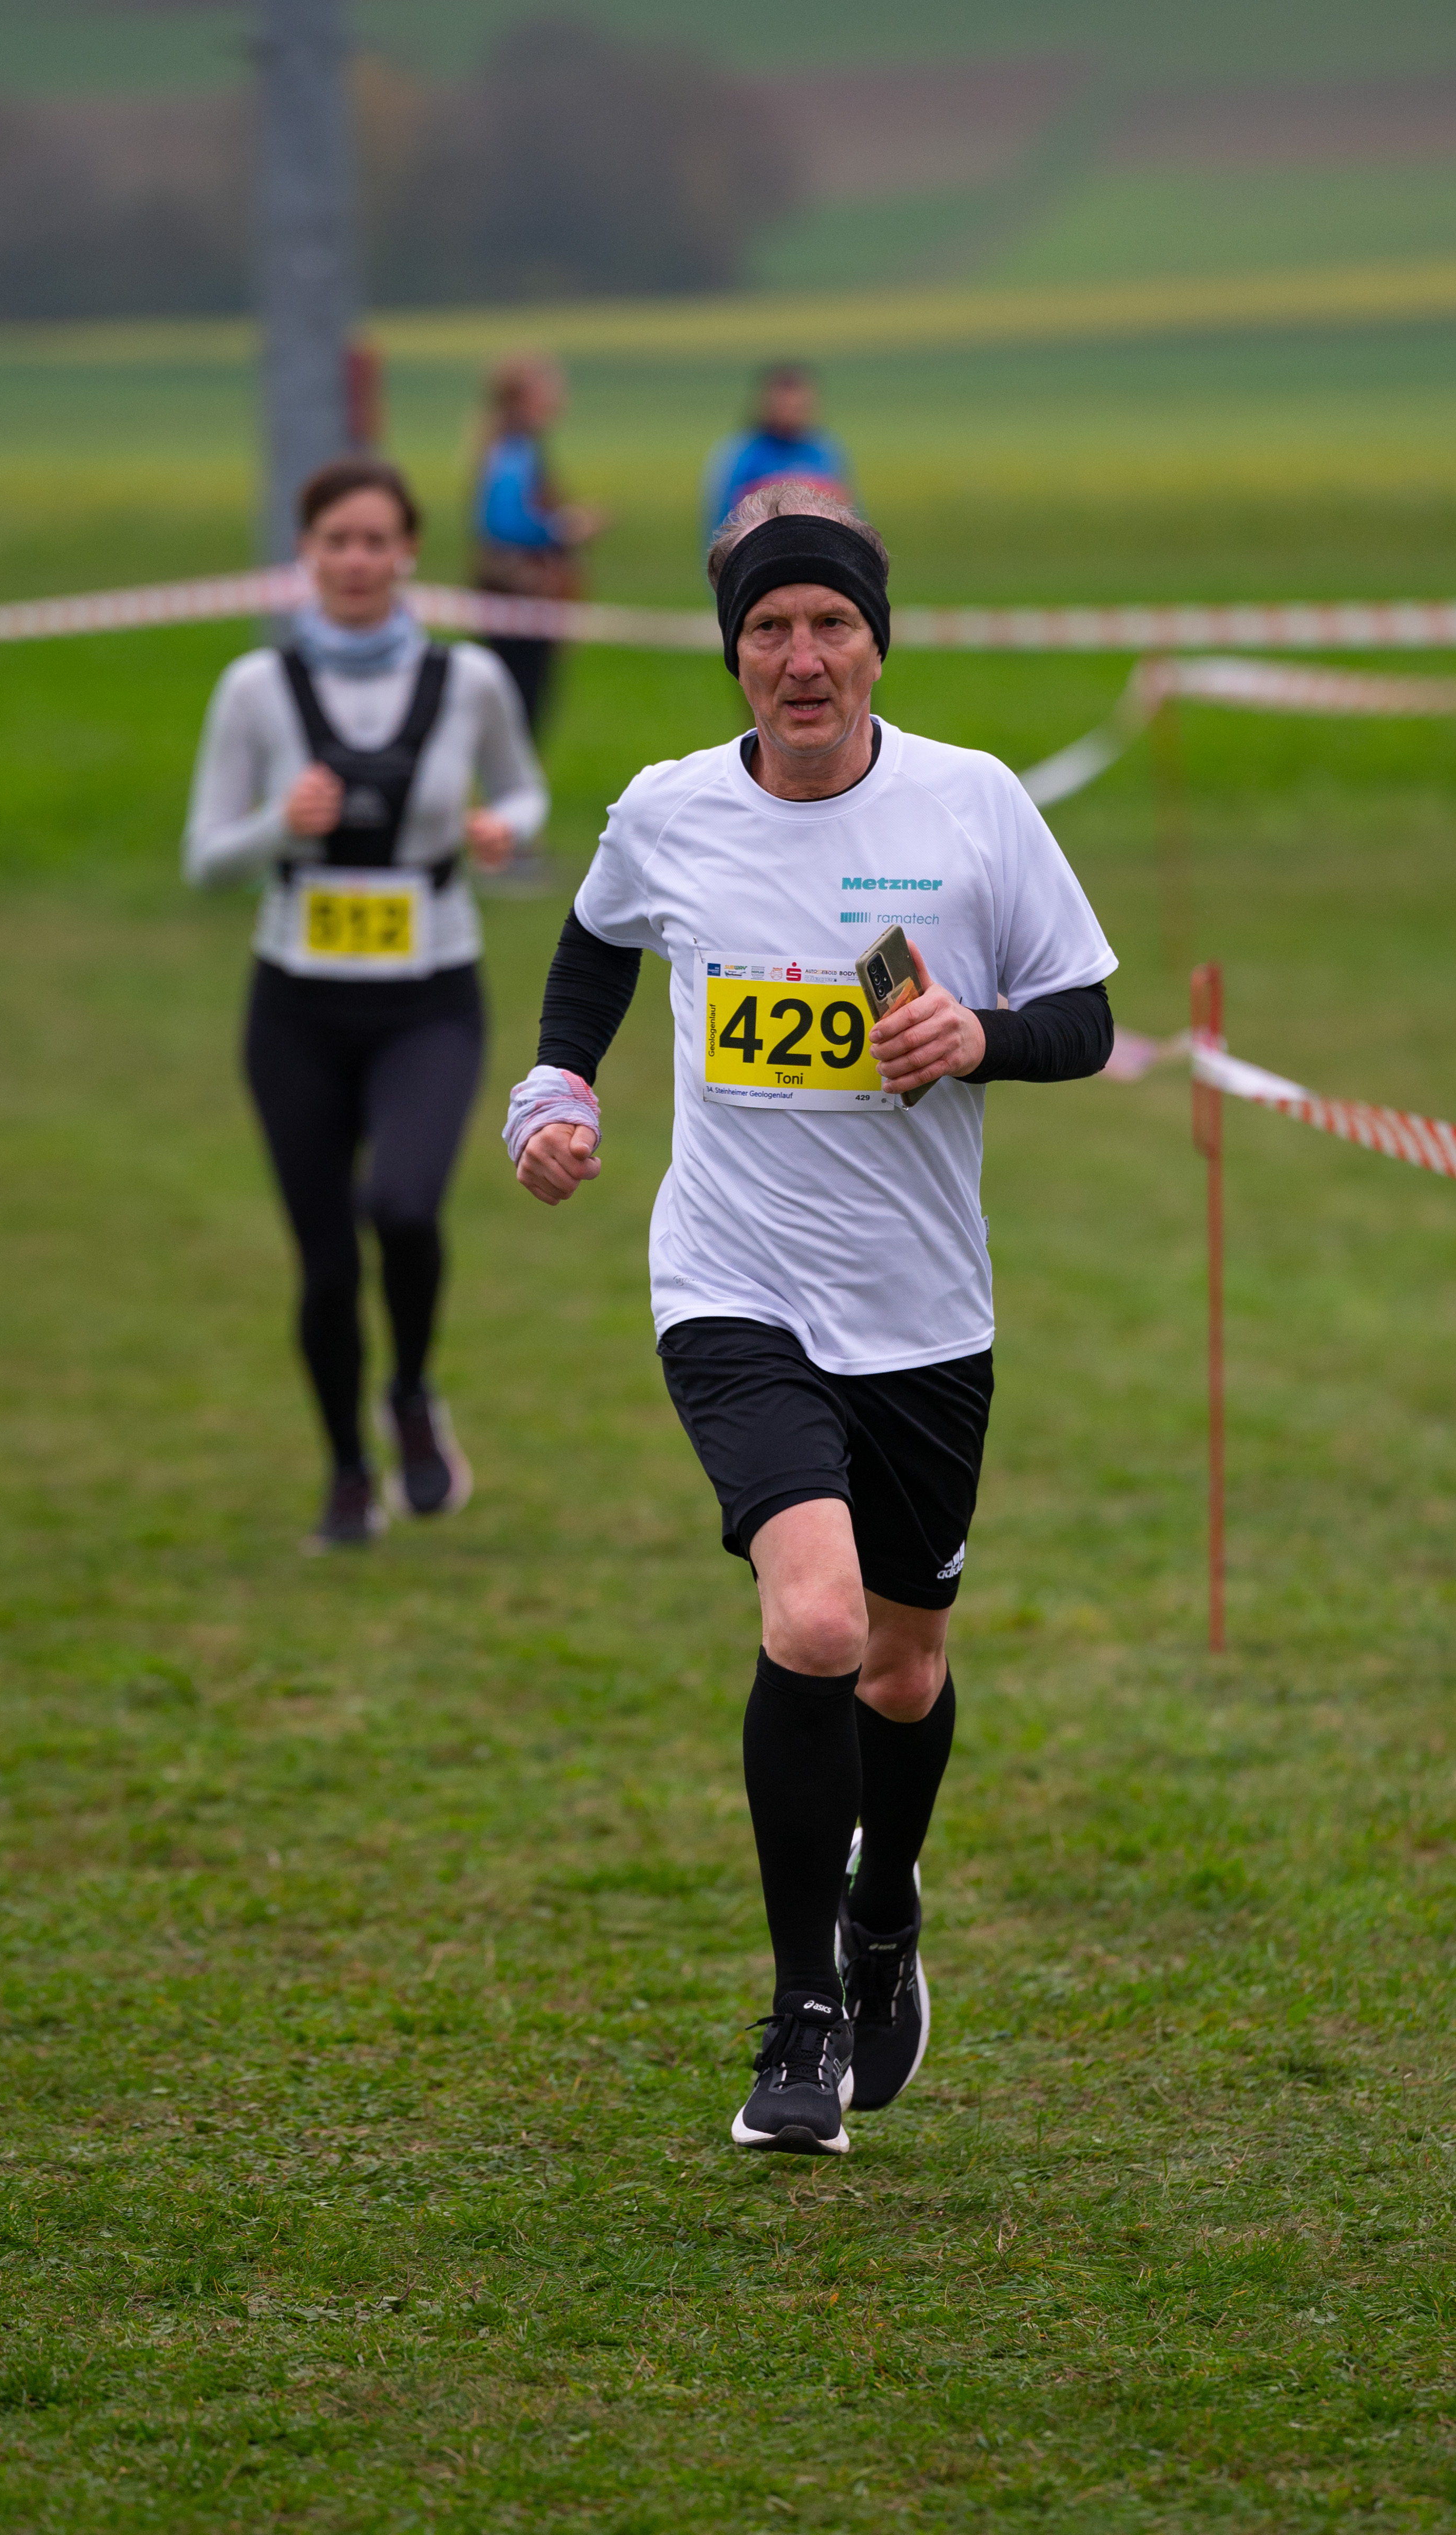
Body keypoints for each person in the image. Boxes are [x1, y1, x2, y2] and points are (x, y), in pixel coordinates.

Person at [505, 484, 1114, 2155]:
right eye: (767, 628)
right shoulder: (667, 811)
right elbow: (594, 943)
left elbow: (1082, 1013)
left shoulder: (970, 805)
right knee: (819, 1619)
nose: (799, 657)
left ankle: (883, 1904)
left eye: (828, 624)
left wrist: (977, 1037)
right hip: (731, 1284)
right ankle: (799, 2019)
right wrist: (554, 1085)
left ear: (872, 645)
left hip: (919, 1312)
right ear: (732, 654)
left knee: (903, 1670)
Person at [184, 454, 548, 1552]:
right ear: (304, 555)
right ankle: (348, 1469)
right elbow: (205, 860)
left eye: (375, 540)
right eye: (335, 540)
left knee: (402, 1205)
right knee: (326, 1262)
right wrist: (277, 826)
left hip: (428, 996)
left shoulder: (466, 678)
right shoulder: (257, 689)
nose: (355, 560)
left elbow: (524, 787)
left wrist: (503, 828)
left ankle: (412, 1391)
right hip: (295, 1007)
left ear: (408, 553)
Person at [470, 354, 605, 741]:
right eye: (549, 385)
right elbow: (504, 523)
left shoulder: (509, 444)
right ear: (525, 395)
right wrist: (567, 527)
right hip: (521, 596)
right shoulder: (516, 449)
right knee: (521, 712)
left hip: (513, 595)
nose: (560, 395)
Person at [701, 363, 855, 544]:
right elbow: (721, 524)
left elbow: (850, 516)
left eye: (798, 407)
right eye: (783, 406)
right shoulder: (740, 454)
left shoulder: (826, 451)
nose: (790, 413)